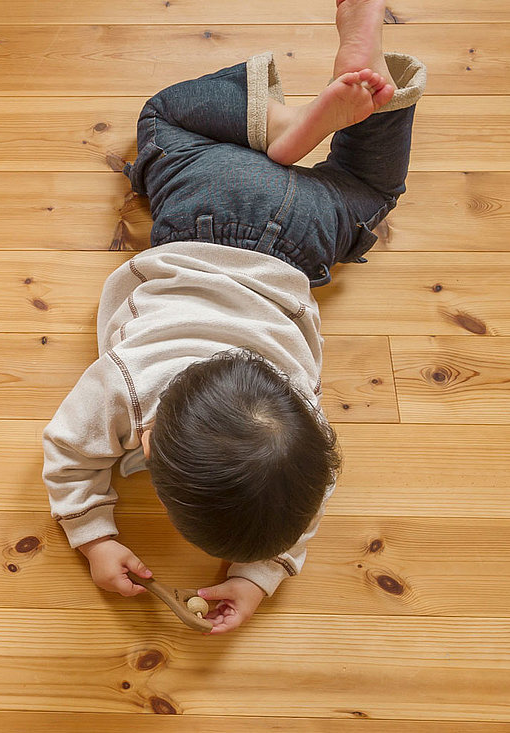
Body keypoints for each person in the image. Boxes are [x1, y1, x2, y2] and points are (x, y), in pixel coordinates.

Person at [42, 0, 426, 634]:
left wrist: (99, 539)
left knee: (373, 190)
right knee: (162, 120)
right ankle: (287, 123)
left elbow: (311, 488)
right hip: (206, 205)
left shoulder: (301, 409)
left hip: (304, 231)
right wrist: (252, 576)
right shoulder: (130, 384)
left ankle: (363, 91)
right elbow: (68, 451)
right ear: (145, 439)